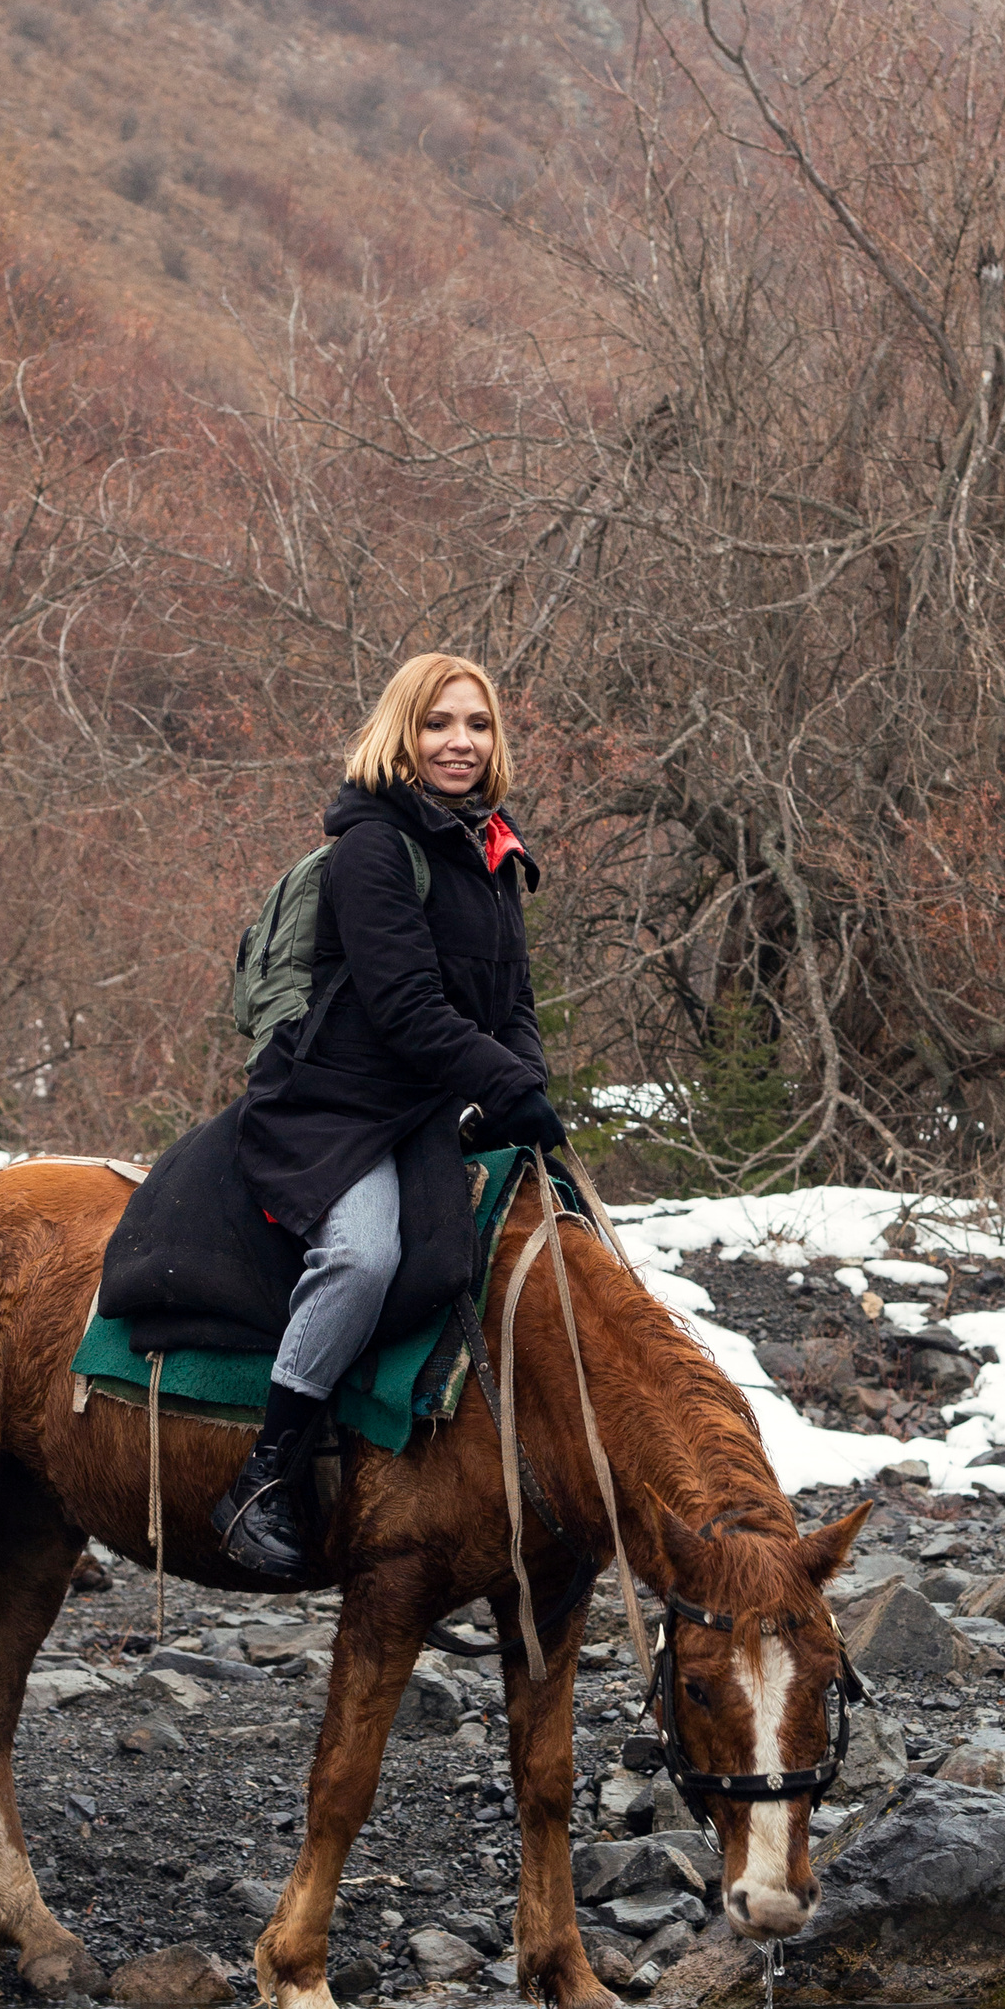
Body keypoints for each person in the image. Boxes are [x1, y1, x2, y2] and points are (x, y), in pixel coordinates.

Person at [210, 652, 566, 1576]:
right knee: (365, 1257)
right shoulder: (373, 846)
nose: (460, 742)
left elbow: (512, 1001)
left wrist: (529, 1086)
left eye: (478, 725)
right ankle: (261, 1477)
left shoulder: (491, 847)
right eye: (439, 724)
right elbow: (407, 1008)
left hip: (428, 1104)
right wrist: (503, 1085)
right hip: (338, 1103)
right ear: (402, 734)